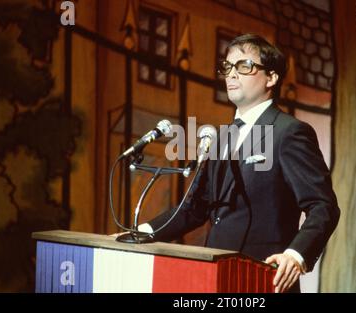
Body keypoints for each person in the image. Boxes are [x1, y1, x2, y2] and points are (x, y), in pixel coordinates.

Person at [134, 34, 340, 293]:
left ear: (272, 77)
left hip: (262, 279)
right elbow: (195, 208)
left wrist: (296, 256)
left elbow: (324, 206)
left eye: (244, 66)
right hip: (215, 277)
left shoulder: (289, 132)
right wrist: (140, 233)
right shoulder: (223, 136)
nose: (231, 74)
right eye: (227, 67)